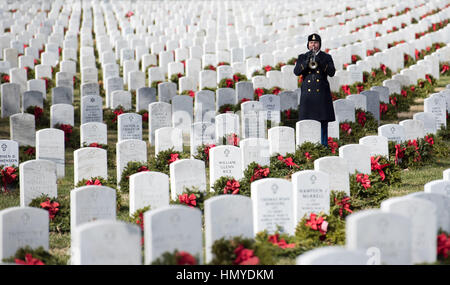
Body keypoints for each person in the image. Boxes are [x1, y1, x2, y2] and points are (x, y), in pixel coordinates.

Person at [293, 33, 336, 147]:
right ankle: (308, 147)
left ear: (319, 44)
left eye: (316, 43)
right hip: (308, 96)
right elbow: (296, 71)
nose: (313, 45)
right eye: (311, 43)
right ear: (308, 44)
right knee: (307, 122)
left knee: (322, 122)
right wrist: (306, 62)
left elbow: (332, 72)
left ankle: (323, 146)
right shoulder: (302, 57)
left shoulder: (326, 57)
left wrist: (321, 62)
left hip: (321, 94)